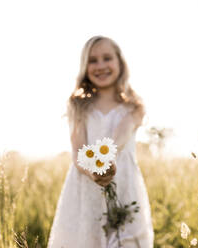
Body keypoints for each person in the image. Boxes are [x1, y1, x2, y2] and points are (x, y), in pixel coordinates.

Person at [48, 36, 154, 248]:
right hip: (86, 188)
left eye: (107, 58)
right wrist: (94, 172)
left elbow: (124, 129)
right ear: (84, 66)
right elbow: (78, 151)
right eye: (93, 60)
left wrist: (109, 157)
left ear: (119, 62)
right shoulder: (78, 104)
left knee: (127, 240)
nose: (101, 66)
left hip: (124, 187)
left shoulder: (134, 105)